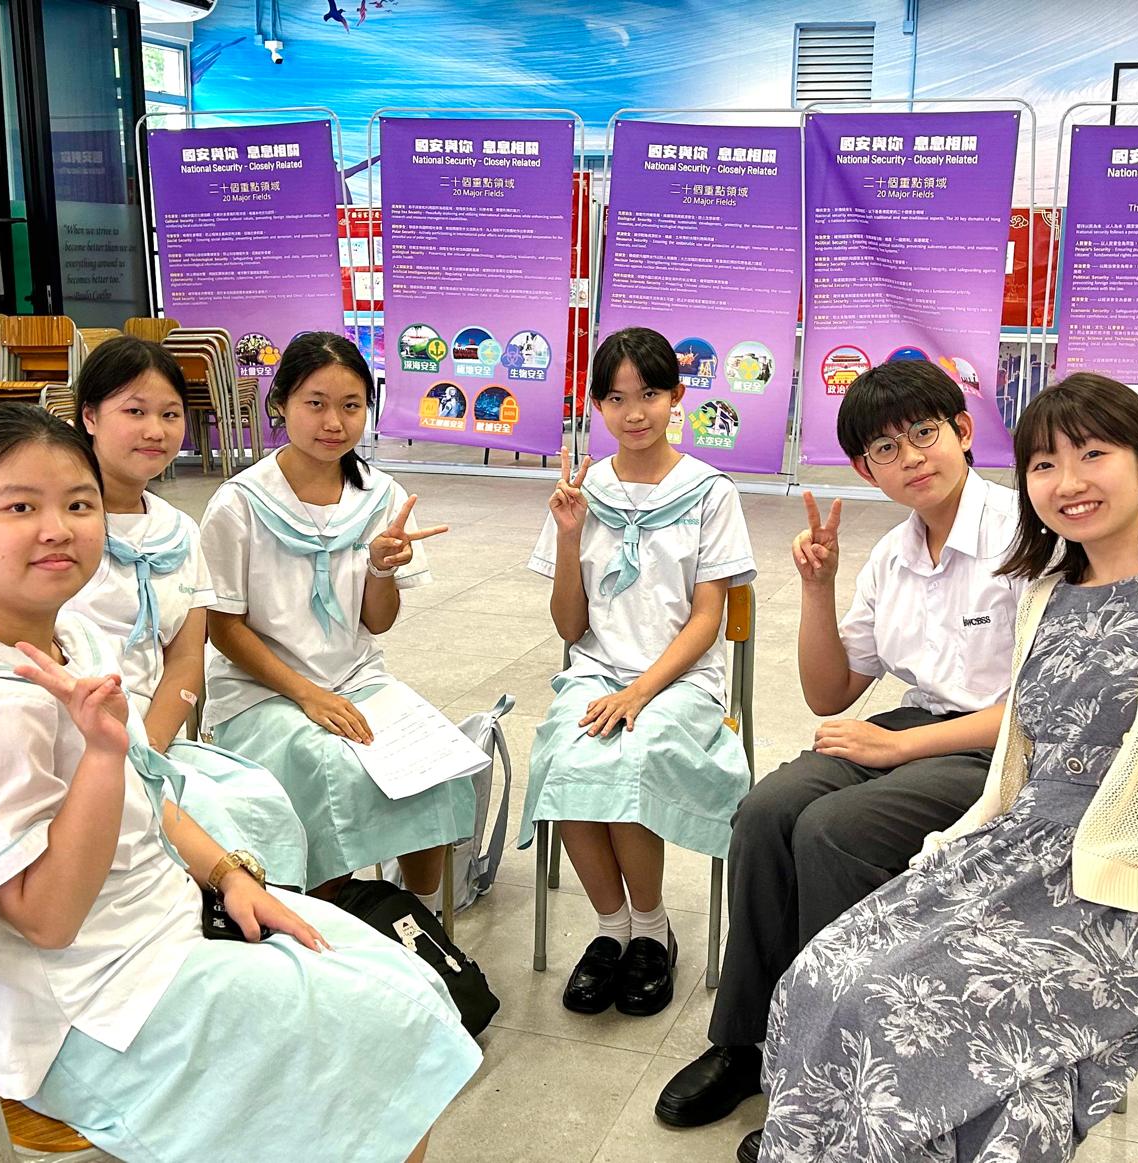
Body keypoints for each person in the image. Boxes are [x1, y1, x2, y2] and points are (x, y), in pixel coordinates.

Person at [750, 373, 1138, 1163]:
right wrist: (954, 846)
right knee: (819, 975)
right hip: (1015, 860)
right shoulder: (1046, 593)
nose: (1069, 481)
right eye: (1045, 464)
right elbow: (1017, 764)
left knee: (903, 1017)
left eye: (1093, 454)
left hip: (1130, 902)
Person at [0, 405, 480, 1163]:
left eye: (78, 505)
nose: (57, 529)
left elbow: (147, 790)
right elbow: (48, 919)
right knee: (379, 1031)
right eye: (19, 507)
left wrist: (228, 873)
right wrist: (101, 755)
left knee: (398, 980)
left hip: (156, 923)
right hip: (92, 1007)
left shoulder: (62, 632)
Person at [658, 360, 1022, 1130]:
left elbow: (1039, 706)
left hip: (1001, 748)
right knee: (766, 810)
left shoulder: (1022, 534)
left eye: (924, 432)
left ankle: (833, 1072)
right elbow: (830, 693)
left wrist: (897, 751)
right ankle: (746, 1042)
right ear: (865, 470)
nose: (910, 456)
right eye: (885, 449)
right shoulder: (895, 553)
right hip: (918, 726)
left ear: (962, 431)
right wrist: (817, 587)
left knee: (833, 830)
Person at [0, 337, 308, 888]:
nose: (155, 430)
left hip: (147, 737)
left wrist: (144, 746)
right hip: (59, 739)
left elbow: (184, 661)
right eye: (135, 411)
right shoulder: (53, 539)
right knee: (194, 844)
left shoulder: (178, 531)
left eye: (170, 414)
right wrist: (3, 498)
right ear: (89, 417)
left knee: (262, 811)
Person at [519, 326, 756, 1017]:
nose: (634, 413)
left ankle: (652, 930)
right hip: (597, 672)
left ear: (677, 396)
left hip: (680, 681)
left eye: (649, 394)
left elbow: (707, 620)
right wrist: (570, 538)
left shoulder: (710, 492)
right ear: (597, 405)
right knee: (568, 754)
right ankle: (611, 928)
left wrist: (641, 691)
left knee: (633, 757)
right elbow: (570, 627)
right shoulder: (583, 492)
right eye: (617, 398)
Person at [199, 331, 474, 903]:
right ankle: (326, 920)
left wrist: (379, 570)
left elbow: (378, 624)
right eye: (315, 403)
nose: (334, 422)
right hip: (260, 691)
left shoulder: (381, 496)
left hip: (354, 679)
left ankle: (417, 916)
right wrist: (307, 695)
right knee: (333, 770)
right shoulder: (240, 502)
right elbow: (222, 627)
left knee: (431, 762)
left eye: (351, 406)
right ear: (281, 403)